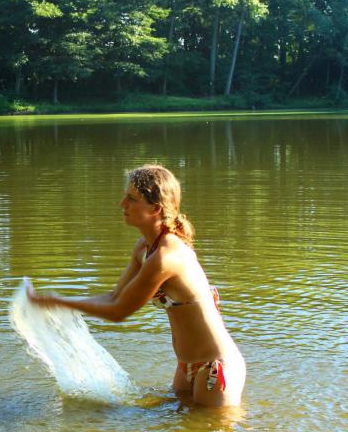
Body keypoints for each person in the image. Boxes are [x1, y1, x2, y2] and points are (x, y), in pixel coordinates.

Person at [26, 164, 246, 407]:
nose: (122, 204)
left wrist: (58, 302)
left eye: (131, 198)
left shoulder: (166, 256)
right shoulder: (144, 248)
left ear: (155, 208)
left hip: (214, 368)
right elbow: (114, 297)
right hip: (186, 366)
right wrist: (58, 301)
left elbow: (119, 311)